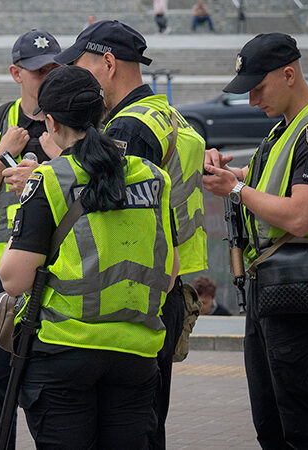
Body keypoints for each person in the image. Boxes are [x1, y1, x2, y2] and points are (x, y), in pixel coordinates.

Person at [0, 65, 179, 449]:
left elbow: (14, 279)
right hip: (136, 352)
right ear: (101, 114)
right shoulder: (153, 177)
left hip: (65, 349)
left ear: (50, 121)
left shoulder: (50, 180)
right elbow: (172, 270)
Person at [55, 19, 207, 449]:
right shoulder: (168, 113)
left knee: (131, 429)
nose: (78, 78)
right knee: (147, 421)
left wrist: (53, 172)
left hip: (142, 295)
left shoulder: (127, 129)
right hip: (170, 284)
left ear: (107, 63)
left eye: (81, 66)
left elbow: (117, 215)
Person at [203, 33, 308, 449]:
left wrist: (234, 191)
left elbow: (301, 217)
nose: (252, 100)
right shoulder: (282, 133)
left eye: (258, 88)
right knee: (270, 420)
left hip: (299, 289)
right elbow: (261, 192)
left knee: (304, 421)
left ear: (289, 74)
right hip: (268, 287)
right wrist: (225, 174)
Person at [0, 28, 61, 450]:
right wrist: (4, 151)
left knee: (47, 395)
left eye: (55, 68)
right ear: (16, 73)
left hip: (55, 272)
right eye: (39, 71)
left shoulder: (72, 116)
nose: (48, 77)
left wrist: (39, 175)